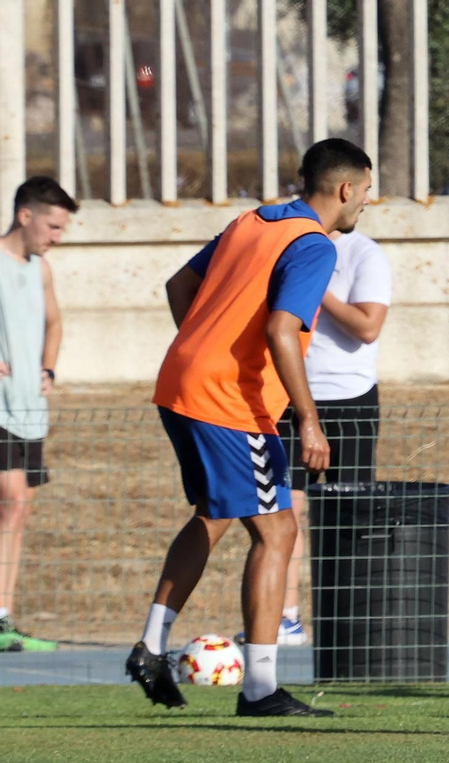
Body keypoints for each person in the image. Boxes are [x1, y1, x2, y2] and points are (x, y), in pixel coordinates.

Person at [126, 138, 372, 716]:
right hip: (230, 402)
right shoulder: (313, 245)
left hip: (182, 385)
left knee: (215, 516)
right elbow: (283, 330)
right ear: (344, 190)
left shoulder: (253, 220)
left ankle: (151, 644)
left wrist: (204, 344)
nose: (365, 203)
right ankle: (260, 688)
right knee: (279, 530)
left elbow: (178, 288)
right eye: (365, 192)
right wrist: (310, 421)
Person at [274, 227, 393, 647]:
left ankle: (349, 623)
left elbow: (367, 326)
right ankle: (285, 617)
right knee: (283, 512)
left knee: (350, 516)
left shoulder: (364, 253)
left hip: (350, 399)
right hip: (289, 396)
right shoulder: (288, 244)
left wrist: (315, 289)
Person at [0, 177, 73, 653]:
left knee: (17, 511)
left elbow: (54, 321)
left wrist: (48, 366)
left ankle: (3, 616)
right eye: (52, 225)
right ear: (25, 216)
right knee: (14, 501)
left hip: (28, 408)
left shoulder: (40, 269)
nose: (57, 237)